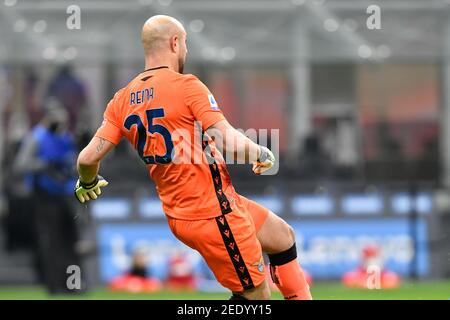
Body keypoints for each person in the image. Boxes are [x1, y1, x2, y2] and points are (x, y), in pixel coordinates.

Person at [75, 15, 311, 300]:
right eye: (185, 44)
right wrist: (260, 151)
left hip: (189, 210)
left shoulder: (121, 100)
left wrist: (88, 183)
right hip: (212, 211)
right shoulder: (186, 85)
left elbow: (87, 159)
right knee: (256, 295)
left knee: (282, 236)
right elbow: (226, 140)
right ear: (175, 43)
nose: (185, 51)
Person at [14, 100, 81, 294]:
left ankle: (73, 284)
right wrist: (44, 165)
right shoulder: (37, 137)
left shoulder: (66, 138)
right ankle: (54, 286)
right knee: (51, 242)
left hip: (66, 194)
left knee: (71, 240)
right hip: (44, 196)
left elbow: (73, 162)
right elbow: (21, 165)